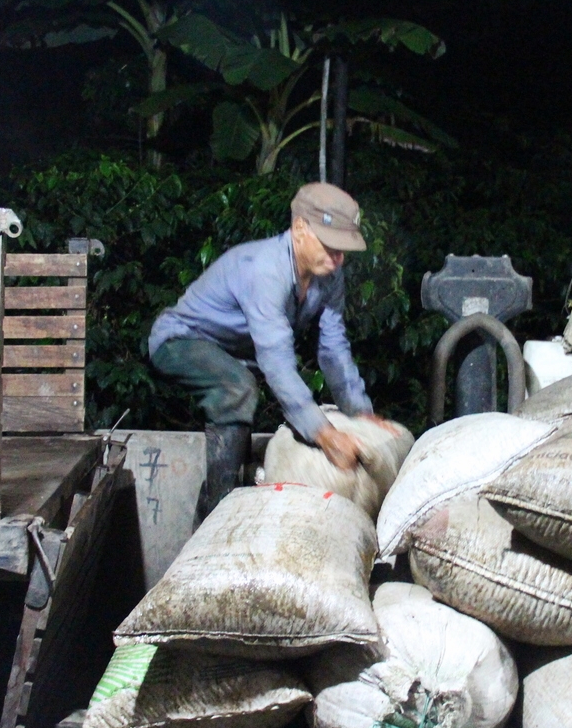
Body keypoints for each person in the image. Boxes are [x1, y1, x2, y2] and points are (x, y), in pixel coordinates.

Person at [148, 182, 394, 518]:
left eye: (343, 250)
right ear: (299, 229)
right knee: (237, 388)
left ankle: (232, 491)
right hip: (179, 341)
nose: (338, 260)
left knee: (251, 388)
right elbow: (276, 362)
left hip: (237, 356)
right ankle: (218, 513)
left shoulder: (329, 275)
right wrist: (323, 434)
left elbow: (334, 347)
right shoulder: (265, 271)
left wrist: (361, 414)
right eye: (330, 246)